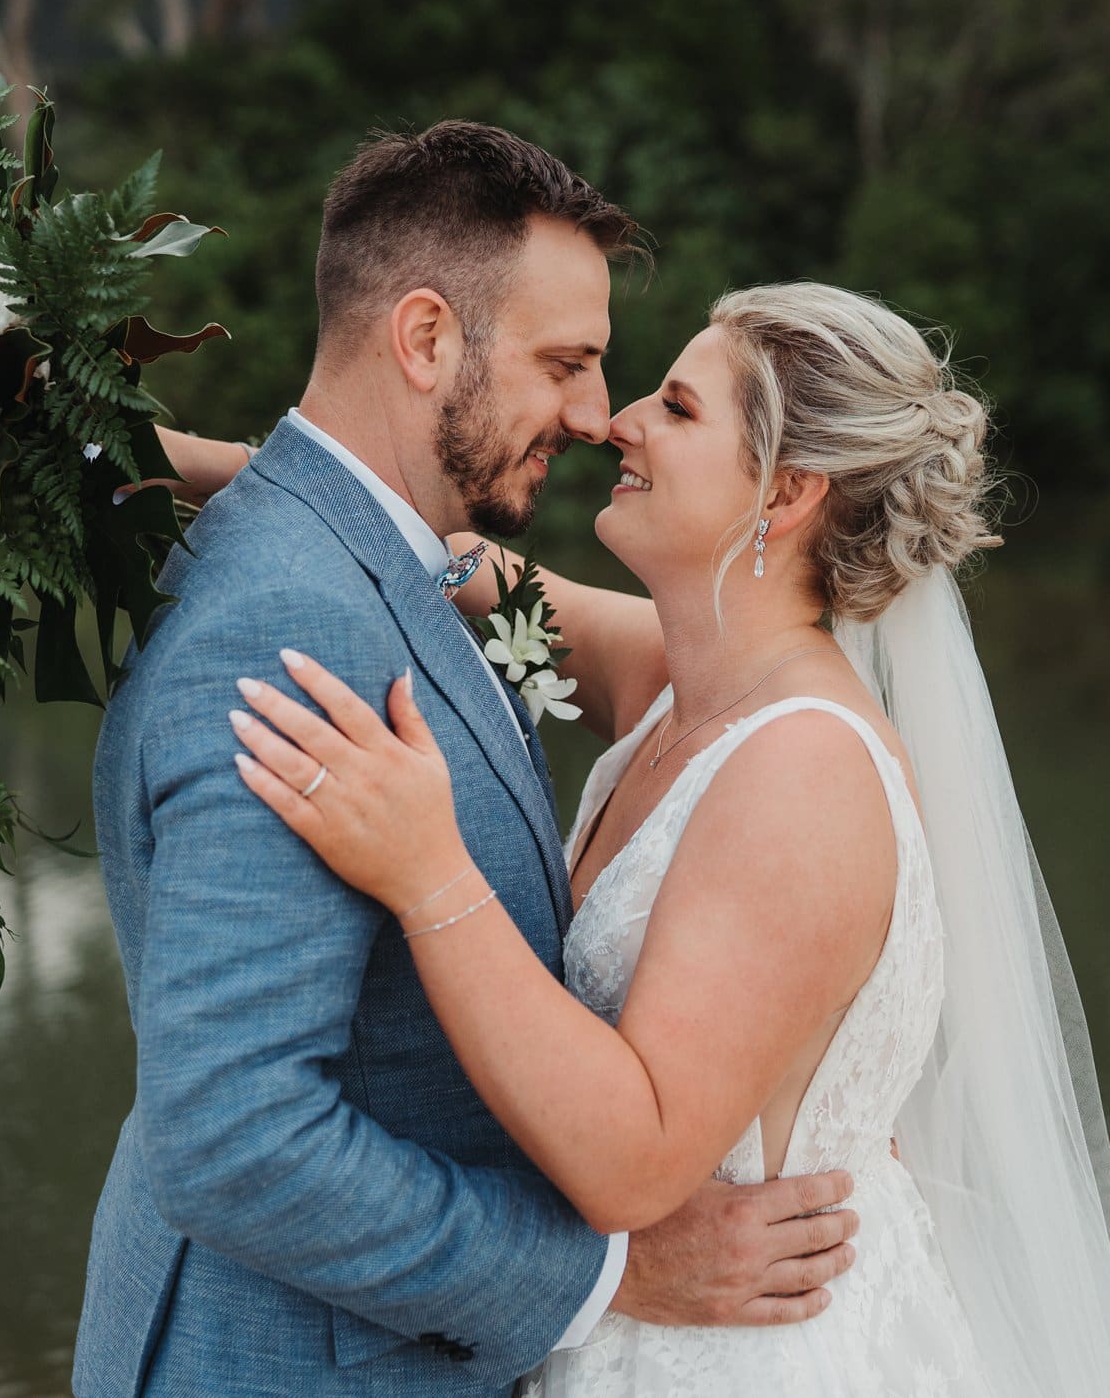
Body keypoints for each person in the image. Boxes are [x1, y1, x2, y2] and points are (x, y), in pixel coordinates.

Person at [206, 283, 1110, 1395]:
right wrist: (156, 460)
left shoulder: (801, 776)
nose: (619, 423)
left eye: (676, 407)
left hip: (743, 1354)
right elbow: (451, 559)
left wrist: (427, 872)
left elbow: (635, 1159)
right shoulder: (680, 681)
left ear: (787, 492)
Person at [72, 123, 863, 1398]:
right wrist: (602, 1280)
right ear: (427, 339)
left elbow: (450, 562)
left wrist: (193, 461)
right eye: (566, 364)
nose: (598, 418)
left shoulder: (379, 561)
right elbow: (235, 1138)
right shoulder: (295, 620)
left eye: (644, 391)